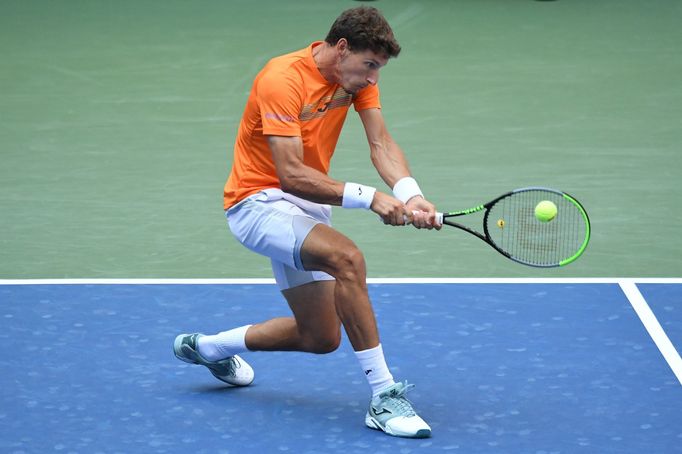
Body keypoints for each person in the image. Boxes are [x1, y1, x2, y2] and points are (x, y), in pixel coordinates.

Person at [173, 6, 440, 439]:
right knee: (347, 258)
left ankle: (206, 348)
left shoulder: (357, 81)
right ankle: (385, 396)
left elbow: (381, 142)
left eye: (379, 68)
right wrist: (371, 198)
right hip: (256, 202)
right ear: (341, 48)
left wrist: (412, 195)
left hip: (307, 206)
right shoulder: (283, 78)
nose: (373, 77)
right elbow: (291, 174)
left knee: (321, 337)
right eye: (369, 64)